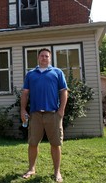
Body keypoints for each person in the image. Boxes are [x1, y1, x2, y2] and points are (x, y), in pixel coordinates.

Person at [20, 48, 68, 182]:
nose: (44, 58)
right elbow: (25, 93)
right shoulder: (31, 74)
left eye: (47, 56)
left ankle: (57, 172)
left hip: (53, 114)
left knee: (55, 143)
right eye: (42, 56)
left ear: (50, 58)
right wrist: (23, 110)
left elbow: (64, 92)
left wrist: (61, 110)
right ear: (38, 58)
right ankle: (31, 169)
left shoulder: (57, 72)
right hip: (35, 115)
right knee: (33, 143)